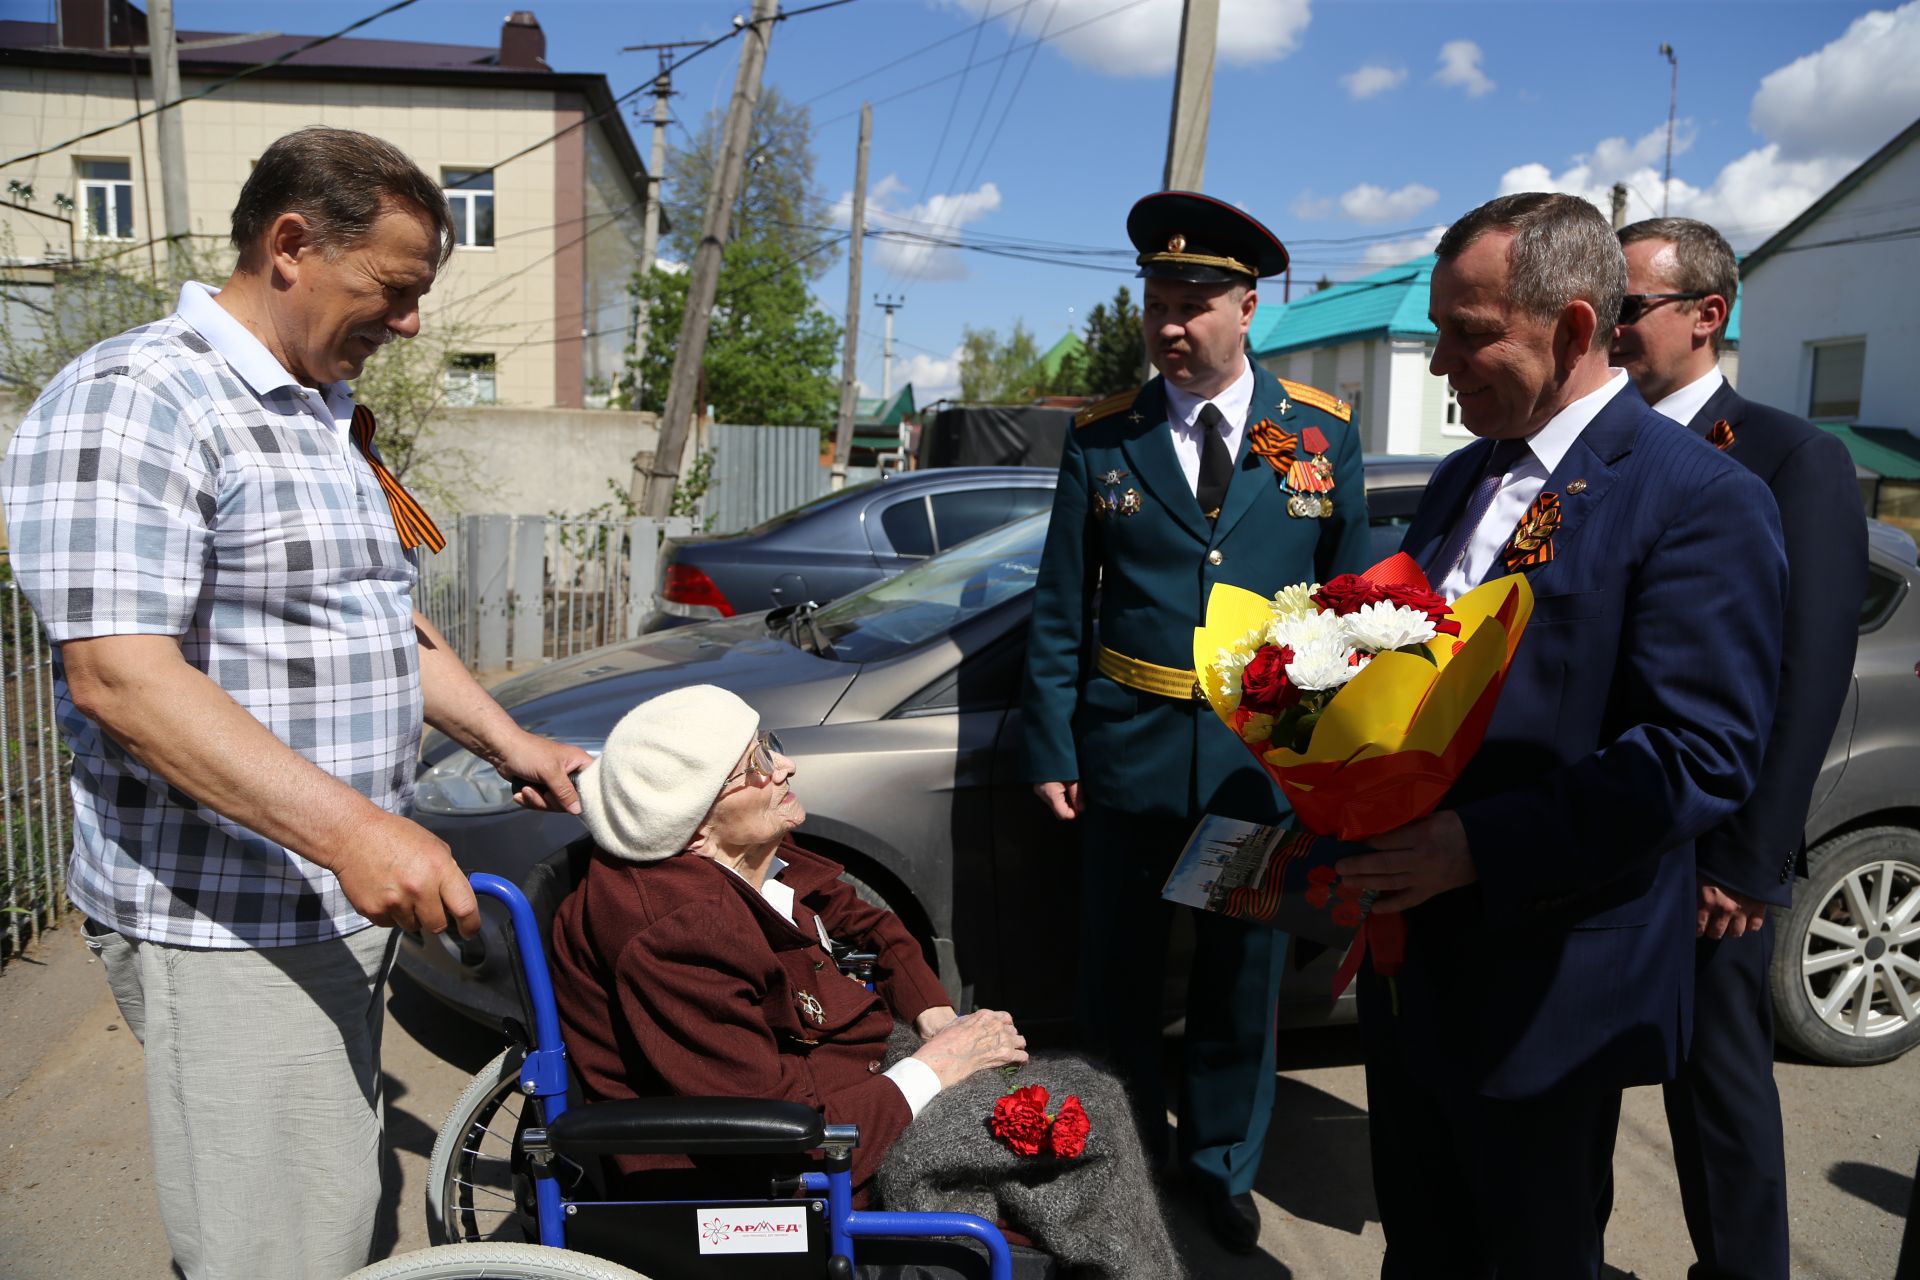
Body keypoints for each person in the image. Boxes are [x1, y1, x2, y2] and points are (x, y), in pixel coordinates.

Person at [0, 127, 591, 1280]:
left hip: (326, 895)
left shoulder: (315, 411)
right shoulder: (139, 396)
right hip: (235, 918)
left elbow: (375, 620)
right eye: (395, 288)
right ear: (290, 244)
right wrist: (356, 829)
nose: (411, 323)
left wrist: (511, 739)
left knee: (322, 1187)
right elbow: (120, 674)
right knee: (279, 1242)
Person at [1333, 192, 1788, 1276]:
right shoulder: (1462, 474)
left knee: (1530, 1251)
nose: (1442, 362)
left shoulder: (1698, 497)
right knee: (1424, 1242)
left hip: (1549, 980)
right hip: (1415, 967)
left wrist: (1473, 847)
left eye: (1469, 331)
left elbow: (1700, 752)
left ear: (1574, 329)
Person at [549, 685, 1181, 1278]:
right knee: (1081, 1117)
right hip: (787, 1162)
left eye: (768, 742)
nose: (786, 765)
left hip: (851, 1075)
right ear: (694, 824)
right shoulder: (676, 932)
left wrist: (933, 1014)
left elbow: (872, 922)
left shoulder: (746, 854)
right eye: (756, 766)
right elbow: (778, 1135)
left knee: (1074, 1104)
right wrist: (938, 1066)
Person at [1019, 189, 1370, 1253]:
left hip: (1250, 775)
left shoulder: (1320, 435)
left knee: (1236, 983)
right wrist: (1053, 743)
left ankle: (1220, 1170)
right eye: (1157, 304)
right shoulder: (1103, 439)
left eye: (1193, 306)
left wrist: (1331, 760)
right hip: (1124, 762)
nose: (1170, 326)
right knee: (1116, 982)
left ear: (1249, 306)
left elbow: (1350, 608)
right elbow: (1057, 609)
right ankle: (1129, 1164)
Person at [1613, 216, 1866, 1280]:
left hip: (1709, 846)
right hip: (1602, 818)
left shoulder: (1789, 454)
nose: (1608, 326)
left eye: (1626, 306)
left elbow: (1806, 672)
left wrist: (1747, 857)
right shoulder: (1598, 441)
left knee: (1716, 1090)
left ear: (1706, 315)